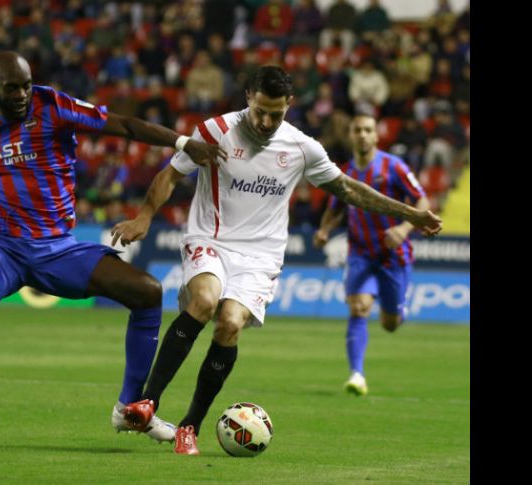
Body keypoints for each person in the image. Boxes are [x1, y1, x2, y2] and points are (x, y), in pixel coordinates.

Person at [0, 51, 226, 445]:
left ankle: (128, 409)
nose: (21, 94)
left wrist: (184, 141)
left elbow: (123, 126)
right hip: (0, 248)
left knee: (148, 292)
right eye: (11, 87)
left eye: (25, 84)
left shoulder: (53, 105)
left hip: (56, 248)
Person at [109, 66, 441, 455]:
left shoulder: (302, 148)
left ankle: (190, 427)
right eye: (260, 111)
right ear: (248, 96)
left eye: (276, 114)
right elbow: (170, 175)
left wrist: (411, 214)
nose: (266, 122)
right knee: (203, 302)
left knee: (229, 325)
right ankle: (148, 402)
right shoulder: (214, 131)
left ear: (290, 105)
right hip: (210, 238)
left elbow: (350, 190)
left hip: (261, 255)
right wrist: (145, 215)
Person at [312, 114, 430, 397]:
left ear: (377, 135)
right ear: (351, 136)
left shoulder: (394, 167)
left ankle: (398, 310)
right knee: (358, 307)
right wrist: (325, 230)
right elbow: (335, 207)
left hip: (394, 254)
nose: (363, 135)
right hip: (361, 253)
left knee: (390, 324)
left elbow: (422, 200)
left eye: (368, 130)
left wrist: (404, 228)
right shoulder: (343, 173)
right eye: (357, 130)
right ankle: (357, 374)